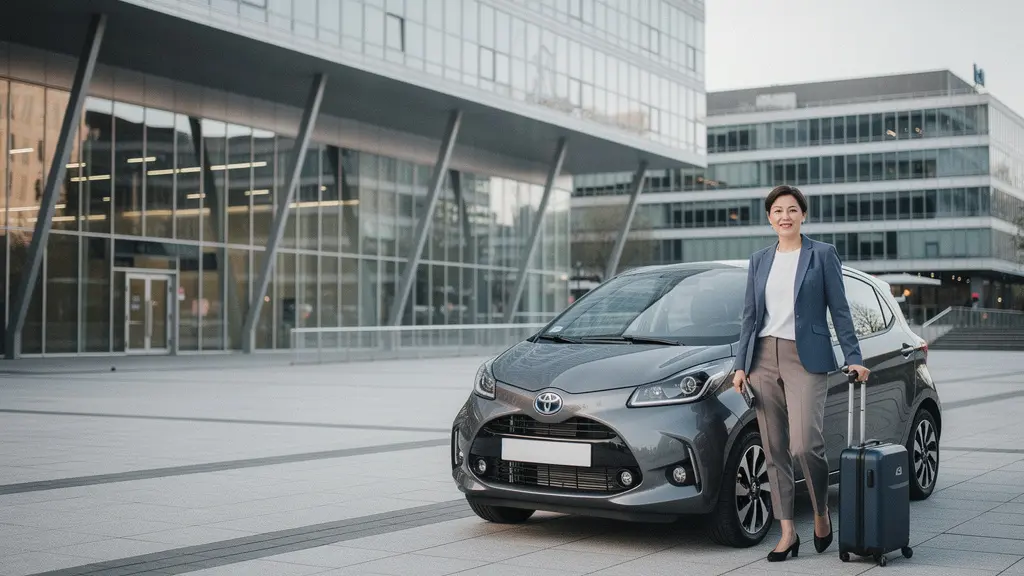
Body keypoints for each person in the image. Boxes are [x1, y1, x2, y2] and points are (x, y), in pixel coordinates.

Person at [731, 185, 870, 562]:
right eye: (777, 211)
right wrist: (740, 365)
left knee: (804, 445)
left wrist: (854, 356)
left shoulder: (822, 255)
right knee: (774, 449)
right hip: (762, 357)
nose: (785, 216)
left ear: (803, 215)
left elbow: (840, 311)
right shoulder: (759, 259)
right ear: (769, 217)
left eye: (792, 210)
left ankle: (822, 512)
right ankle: (788, 531)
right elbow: (749, 316)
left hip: (806, 357)